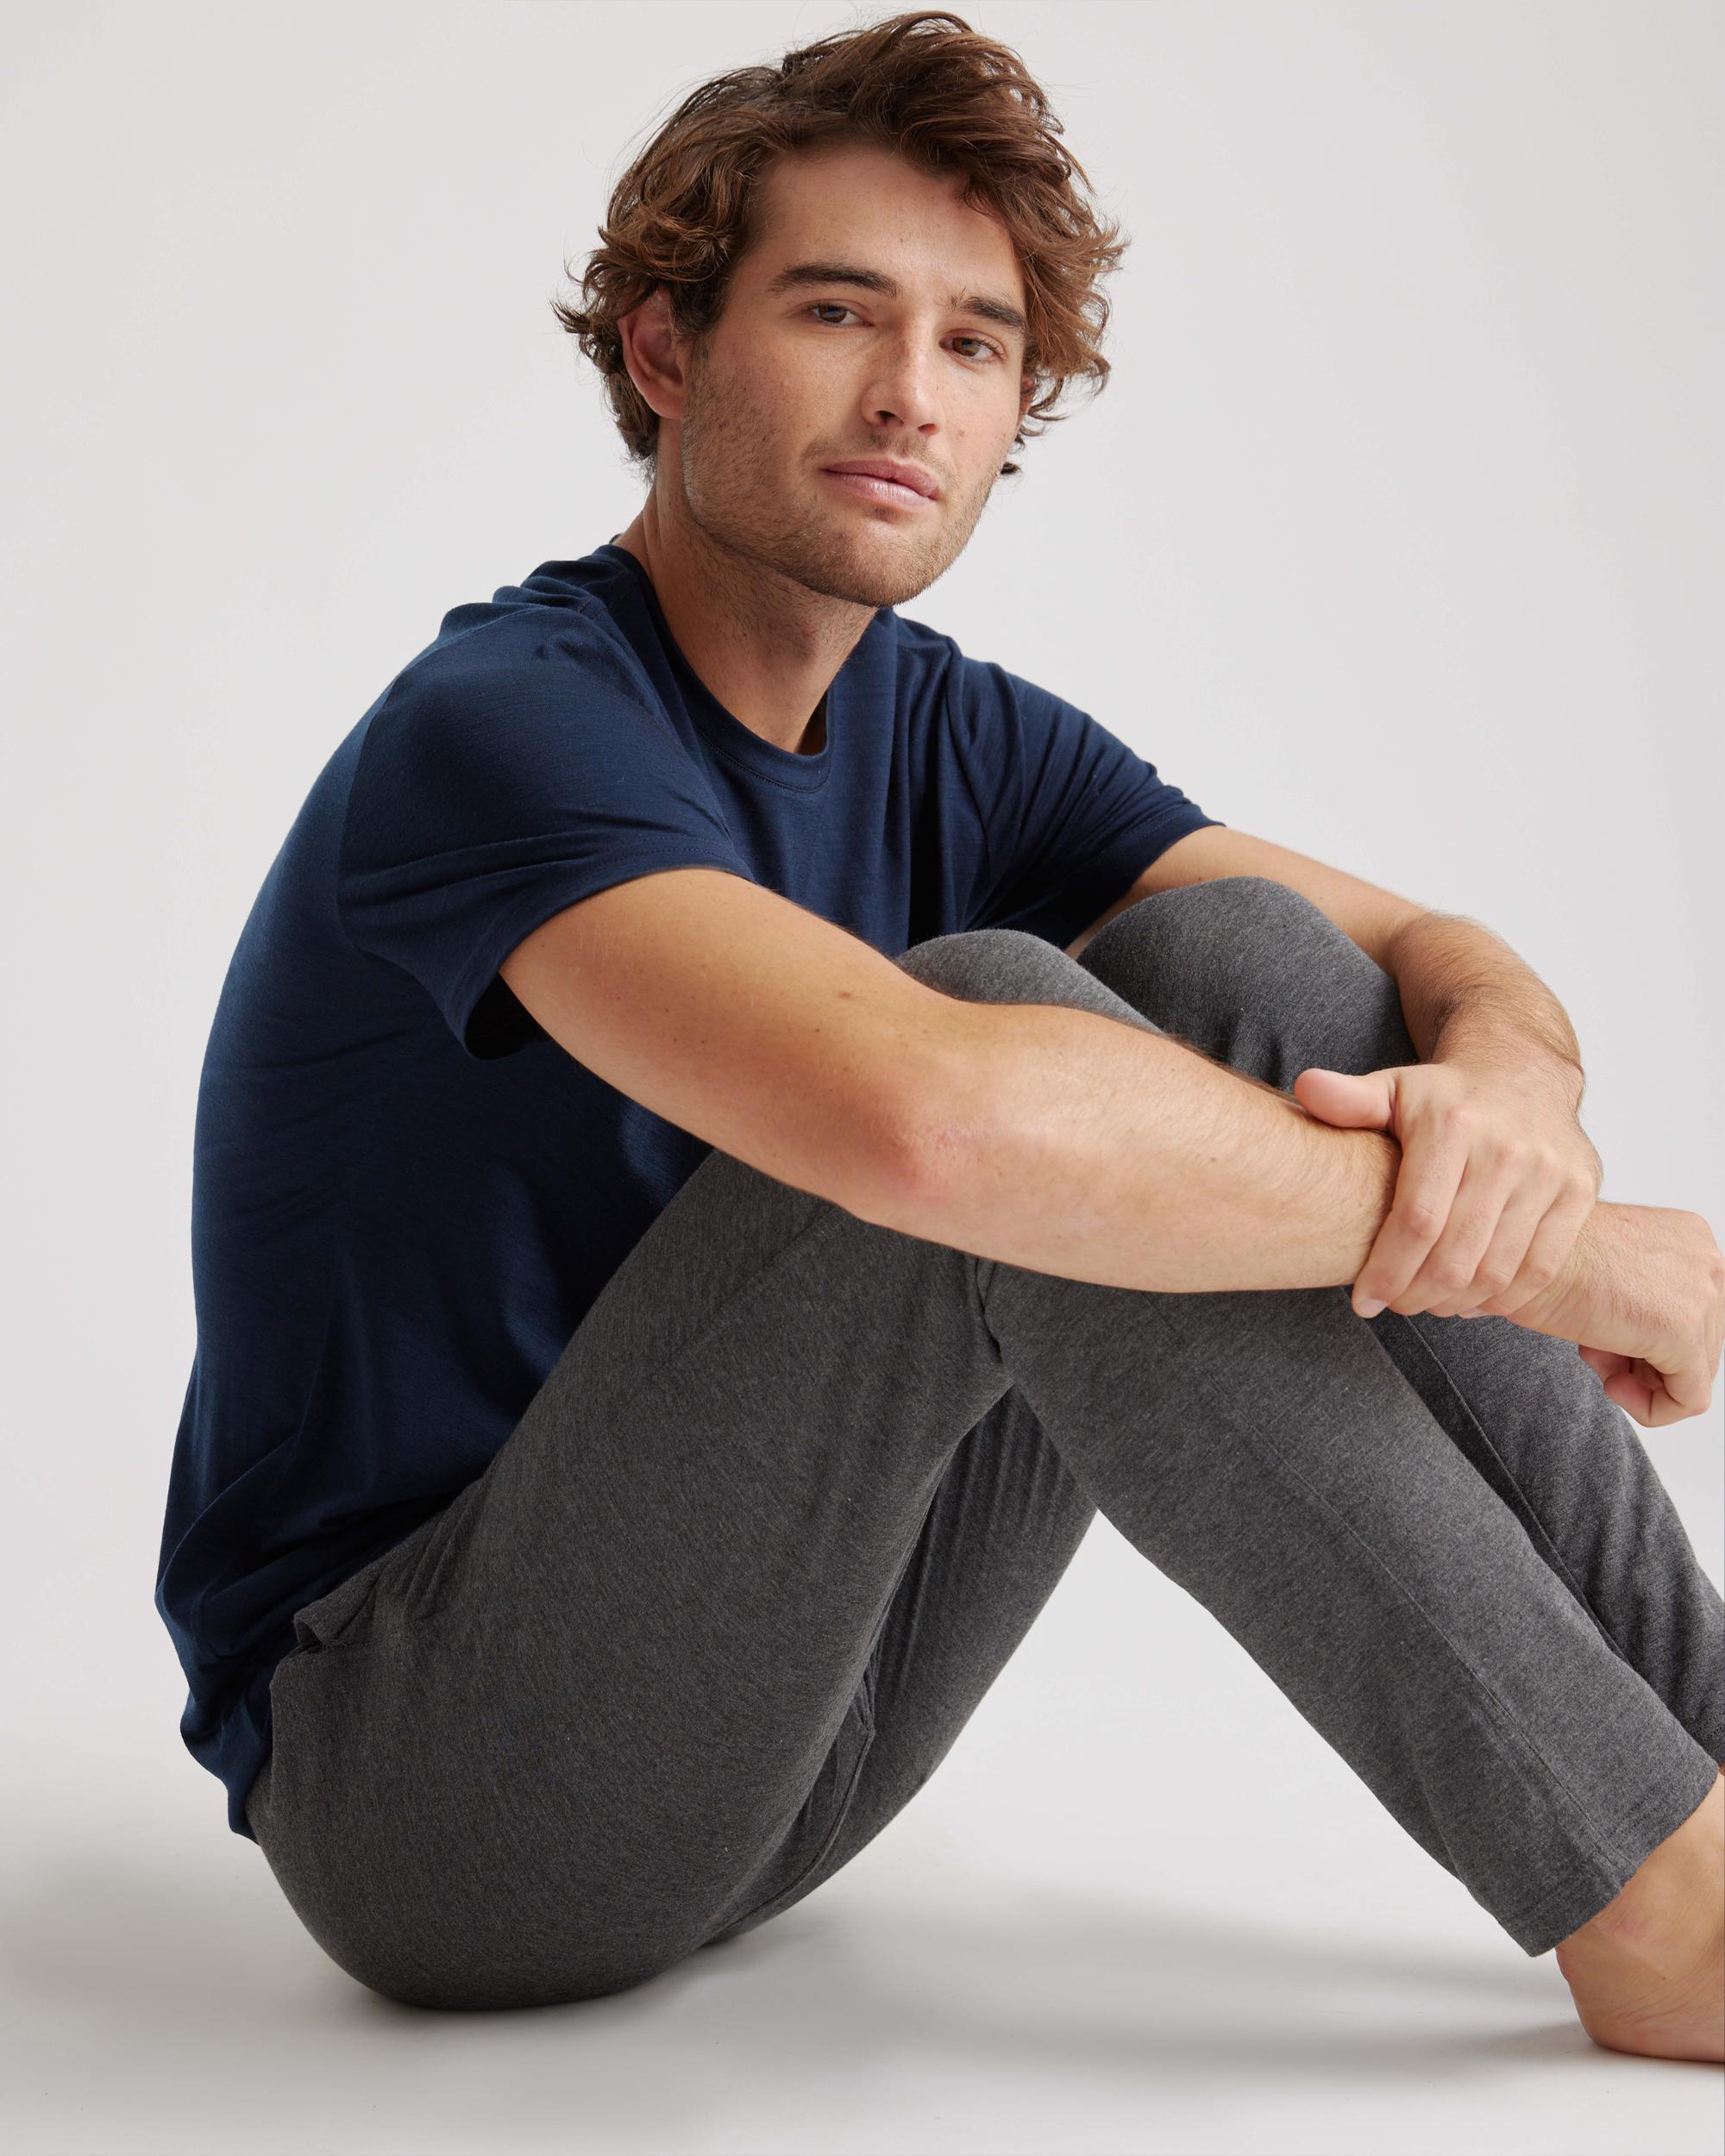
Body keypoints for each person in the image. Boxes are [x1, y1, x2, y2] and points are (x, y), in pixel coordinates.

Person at [154, 9, 1723, 2054]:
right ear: (664, 348)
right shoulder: (503, 727)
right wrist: (1564, 1261)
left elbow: (1426, 948)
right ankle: (1655, 1905)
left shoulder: (950, 730)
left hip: (788, 1718)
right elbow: (934, 1129)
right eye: (836, 311)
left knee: (1248, 965)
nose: (912, 390)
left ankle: (1700, 1756)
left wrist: (1511, 1098)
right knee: (993, 1047)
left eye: (975, 342)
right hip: (435, 1779)